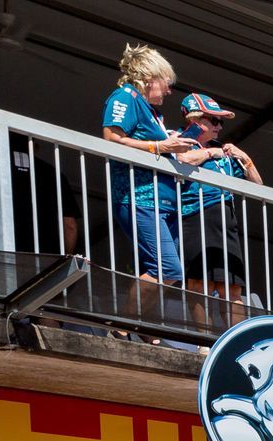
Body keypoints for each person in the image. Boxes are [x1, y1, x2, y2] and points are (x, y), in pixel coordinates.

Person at [102, 45, 210, 318]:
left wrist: (174, 147)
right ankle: (123, 324)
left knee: (161, 270)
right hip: (141, 197)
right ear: (150, 77)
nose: (169, 91)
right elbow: (112, 139)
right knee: (168, 269)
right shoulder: (125, 97)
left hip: (162, 203)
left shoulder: (153, 113)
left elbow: (152, 143)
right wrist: (160, 147)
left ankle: (140, 326)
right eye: (167, 83)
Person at [175, 93, 263, 321]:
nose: (219, 127)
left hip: (225, 216)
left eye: (220, 122)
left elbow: (258, 185)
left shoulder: (223, 152)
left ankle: (237, 344)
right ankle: (204, 341)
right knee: (198, 282)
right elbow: (182, 159)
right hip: (195, 216)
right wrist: (210, 152)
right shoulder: (177, 138)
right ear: (196, 120)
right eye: (214, 121)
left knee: (232, 287)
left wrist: (244, 156)